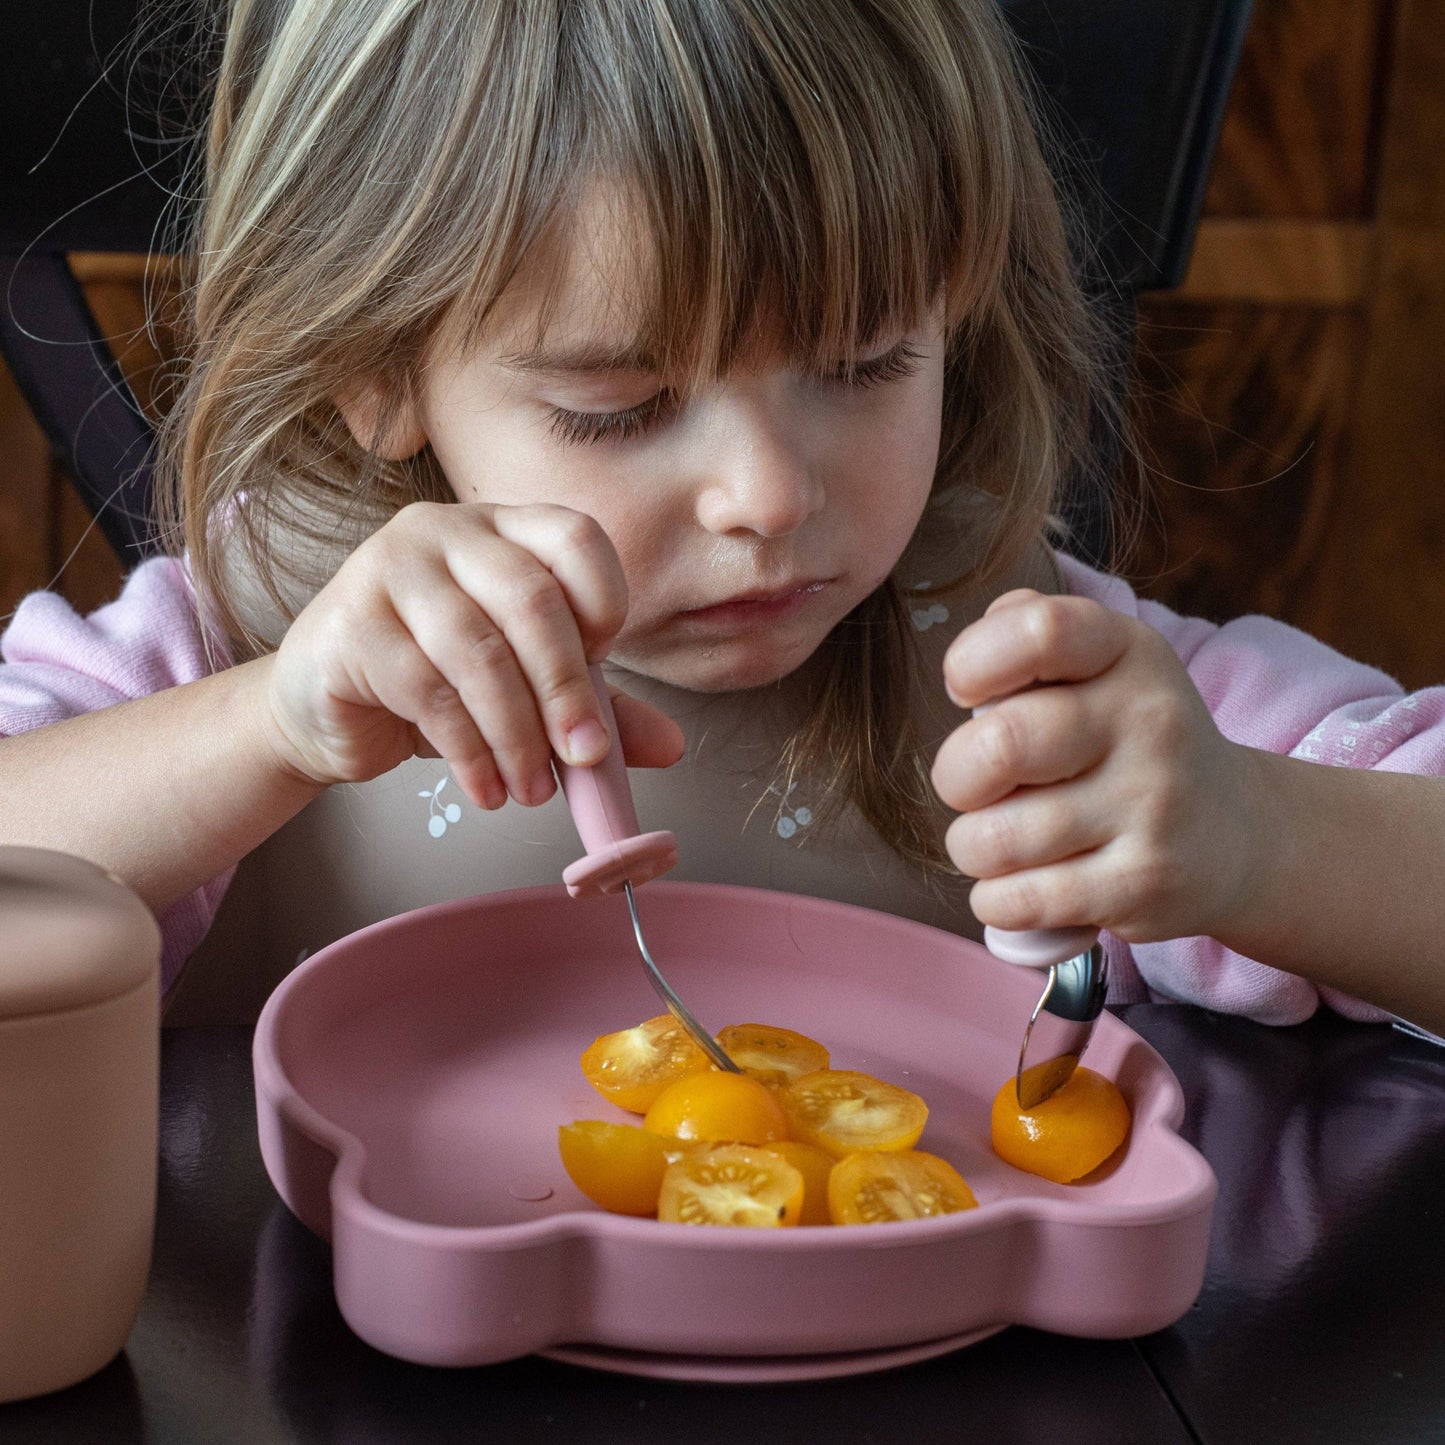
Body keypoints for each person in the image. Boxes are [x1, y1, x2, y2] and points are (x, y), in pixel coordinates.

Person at [1, 0, 1441, 1034]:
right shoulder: (234, 657)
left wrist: (1259, 837)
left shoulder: (1047, 692)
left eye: (868, 362)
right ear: (381, 368)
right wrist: (265, 730)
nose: (767, 496)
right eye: (620, 406)